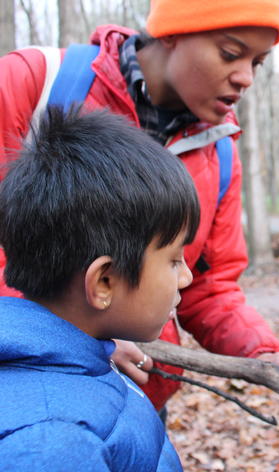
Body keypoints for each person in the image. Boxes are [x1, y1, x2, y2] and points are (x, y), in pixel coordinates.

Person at [0, 0, 279, 414]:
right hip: (23, 395)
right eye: (231, 53)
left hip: (137, 399)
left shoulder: (220, 153)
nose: (245, 78)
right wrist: (76, 336)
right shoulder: (37, 82)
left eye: (258, 63)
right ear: (171, 32)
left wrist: (264, 356)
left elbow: (208, 286)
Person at [0, 107, 197, 470]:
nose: (186, 277)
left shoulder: (84, 364)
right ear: (104, 282)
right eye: (173, 259)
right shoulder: (51, 444)